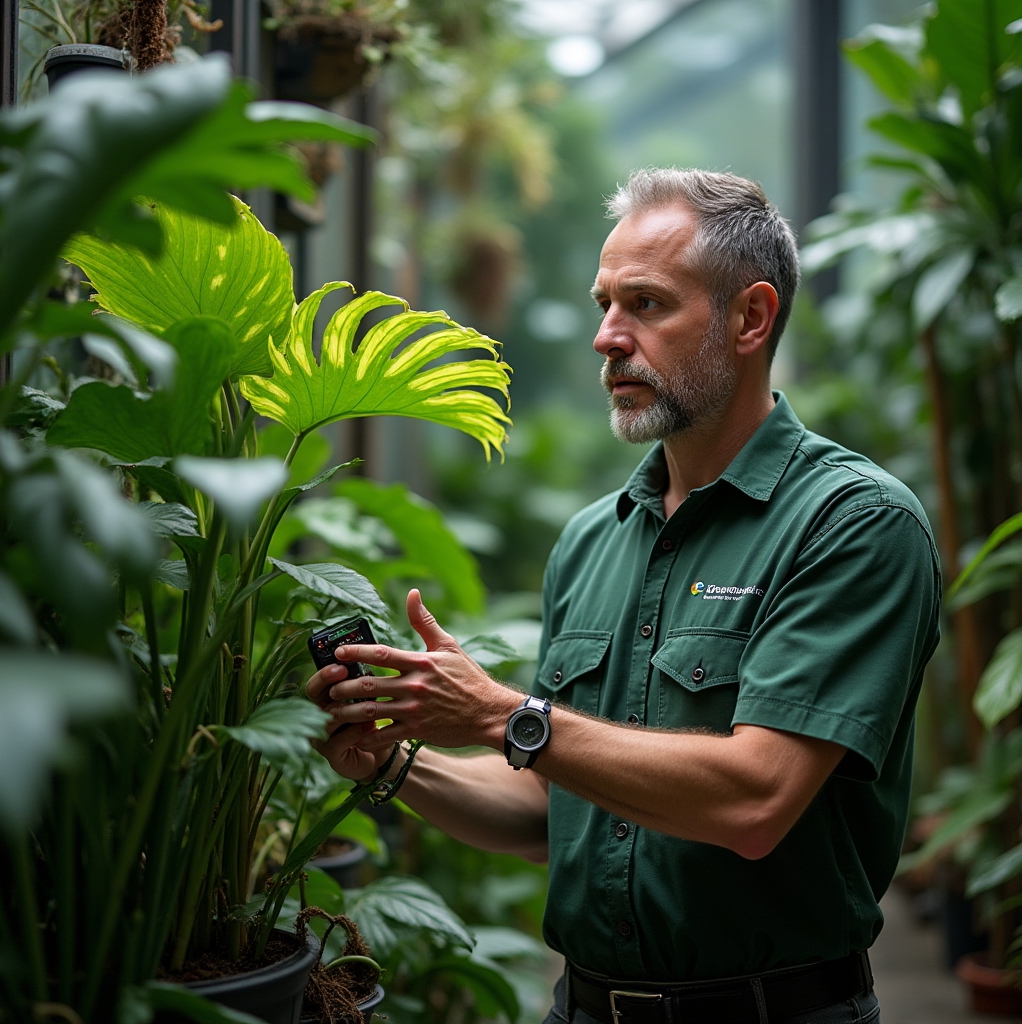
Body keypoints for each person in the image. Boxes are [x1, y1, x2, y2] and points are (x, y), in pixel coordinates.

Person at [305, 168, 941, 1024]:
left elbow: (755, 799)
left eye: (645, 305)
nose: (607, 338)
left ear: (750, 318)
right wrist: (392, 760)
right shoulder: (591, 542)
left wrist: (503, 716)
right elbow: (547, 809)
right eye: (605, 303)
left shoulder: (853, 524)